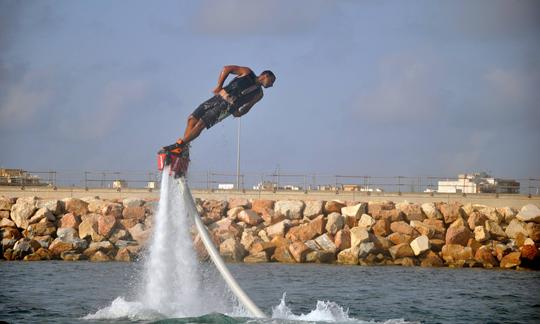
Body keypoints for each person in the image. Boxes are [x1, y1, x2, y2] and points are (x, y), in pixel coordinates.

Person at [162, 65, 276, 154]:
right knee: (191, 119)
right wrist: (219, 86)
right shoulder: (247, 72)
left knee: (201, 124)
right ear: (265, 75)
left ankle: (179, 146)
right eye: (271, 82)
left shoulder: (259, 94)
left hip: (227, 108)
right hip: (218, 97)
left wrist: (240, 113)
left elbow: (248, 107)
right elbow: (227, 69)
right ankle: (183, 150)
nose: (271, 85)